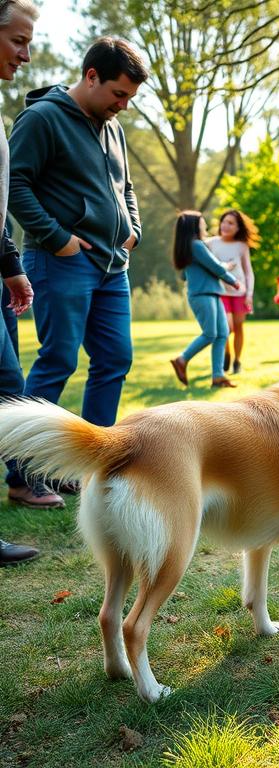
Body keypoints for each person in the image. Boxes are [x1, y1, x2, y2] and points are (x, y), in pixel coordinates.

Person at [7, 36, 148, 447]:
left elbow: (126, 187)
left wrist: (133, 230)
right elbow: (12, 184)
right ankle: (24, 466)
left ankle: (94, 460)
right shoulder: (42, 119)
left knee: (115, 360)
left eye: (130, 97)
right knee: (58, 361)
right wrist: (57, 238)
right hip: (61, 260)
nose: (124, 105)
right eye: (119, 94)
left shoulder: (114, 127)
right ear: (91, 76)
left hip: (113, 266)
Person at [0, 0, 55, 565]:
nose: (26, 54)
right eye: (18, 40)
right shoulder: (38, 120)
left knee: (8, 383)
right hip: (41, 261)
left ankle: (26, 477)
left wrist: (8, 264)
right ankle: (28, 476)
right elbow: (14, 189)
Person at [169, 212, 243, 388]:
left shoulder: (192, 246)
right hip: (202, 295)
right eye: (202, 223)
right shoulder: (196, 245)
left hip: (212, 293)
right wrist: (232, 280)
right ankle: (182, 359)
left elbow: (203, 268)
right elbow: (215, 266)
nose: (205, 226)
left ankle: (218, 376)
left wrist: (224, 267)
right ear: (194, 226)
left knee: (222, 333)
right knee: (210, 333)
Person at [208, 209, 258, 375]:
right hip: (219, 292)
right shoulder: (211, 243)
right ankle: (226, 354)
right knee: (226, 328)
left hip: (240, 293)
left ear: (238, 228)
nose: (225, 225)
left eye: (231, 223)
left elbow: (248, 272)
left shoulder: (242, 246)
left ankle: (237, 361)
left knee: (238, 327)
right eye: (224, 221)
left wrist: (249, 294)